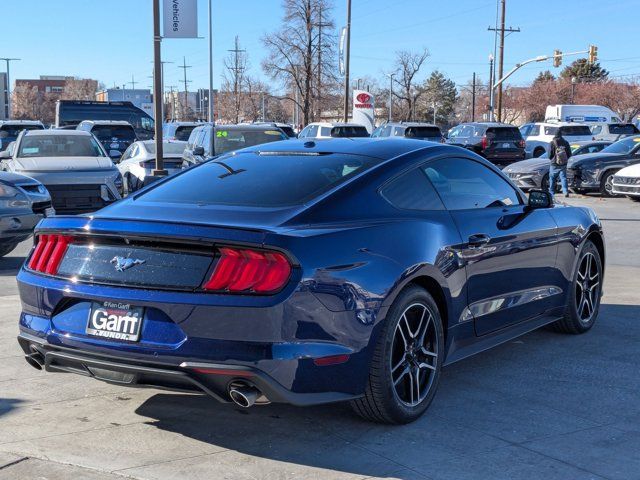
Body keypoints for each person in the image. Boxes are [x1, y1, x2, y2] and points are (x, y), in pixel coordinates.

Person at [548, 130, 572, 198]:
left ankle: (552, 192)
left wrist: (552, 159)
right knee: (563, 177)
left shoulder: (552, 143)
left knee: (552, 178)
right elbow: (569, 154)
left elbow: (549, 154)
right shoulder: (566, 142)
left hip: (554, 163)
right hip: (563, 164)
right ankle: (565, 192)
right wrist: (564, 159)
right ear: (561, 135)